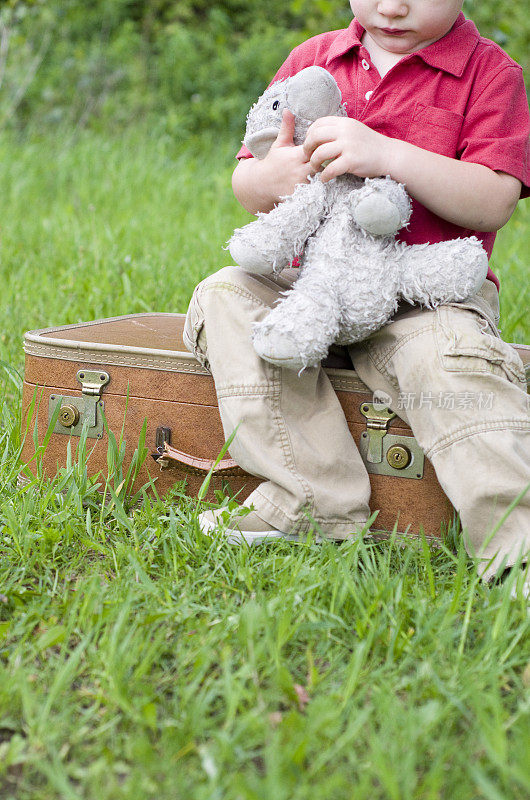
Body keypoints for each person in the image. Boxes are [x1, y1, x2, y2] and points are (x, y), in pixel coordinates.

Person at [183, 0, 530, 584]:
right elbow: (249, 172)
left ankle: (515, 547)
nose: (391, 5)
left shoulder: (490, 75)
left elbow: (494, 198)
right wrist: (266, 180)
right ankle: (311, 501)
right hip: (309, 289)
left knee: (454, 363)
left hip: (427, 293)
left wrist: (388, 154)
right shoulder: (314, 59)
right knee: (225, 296)